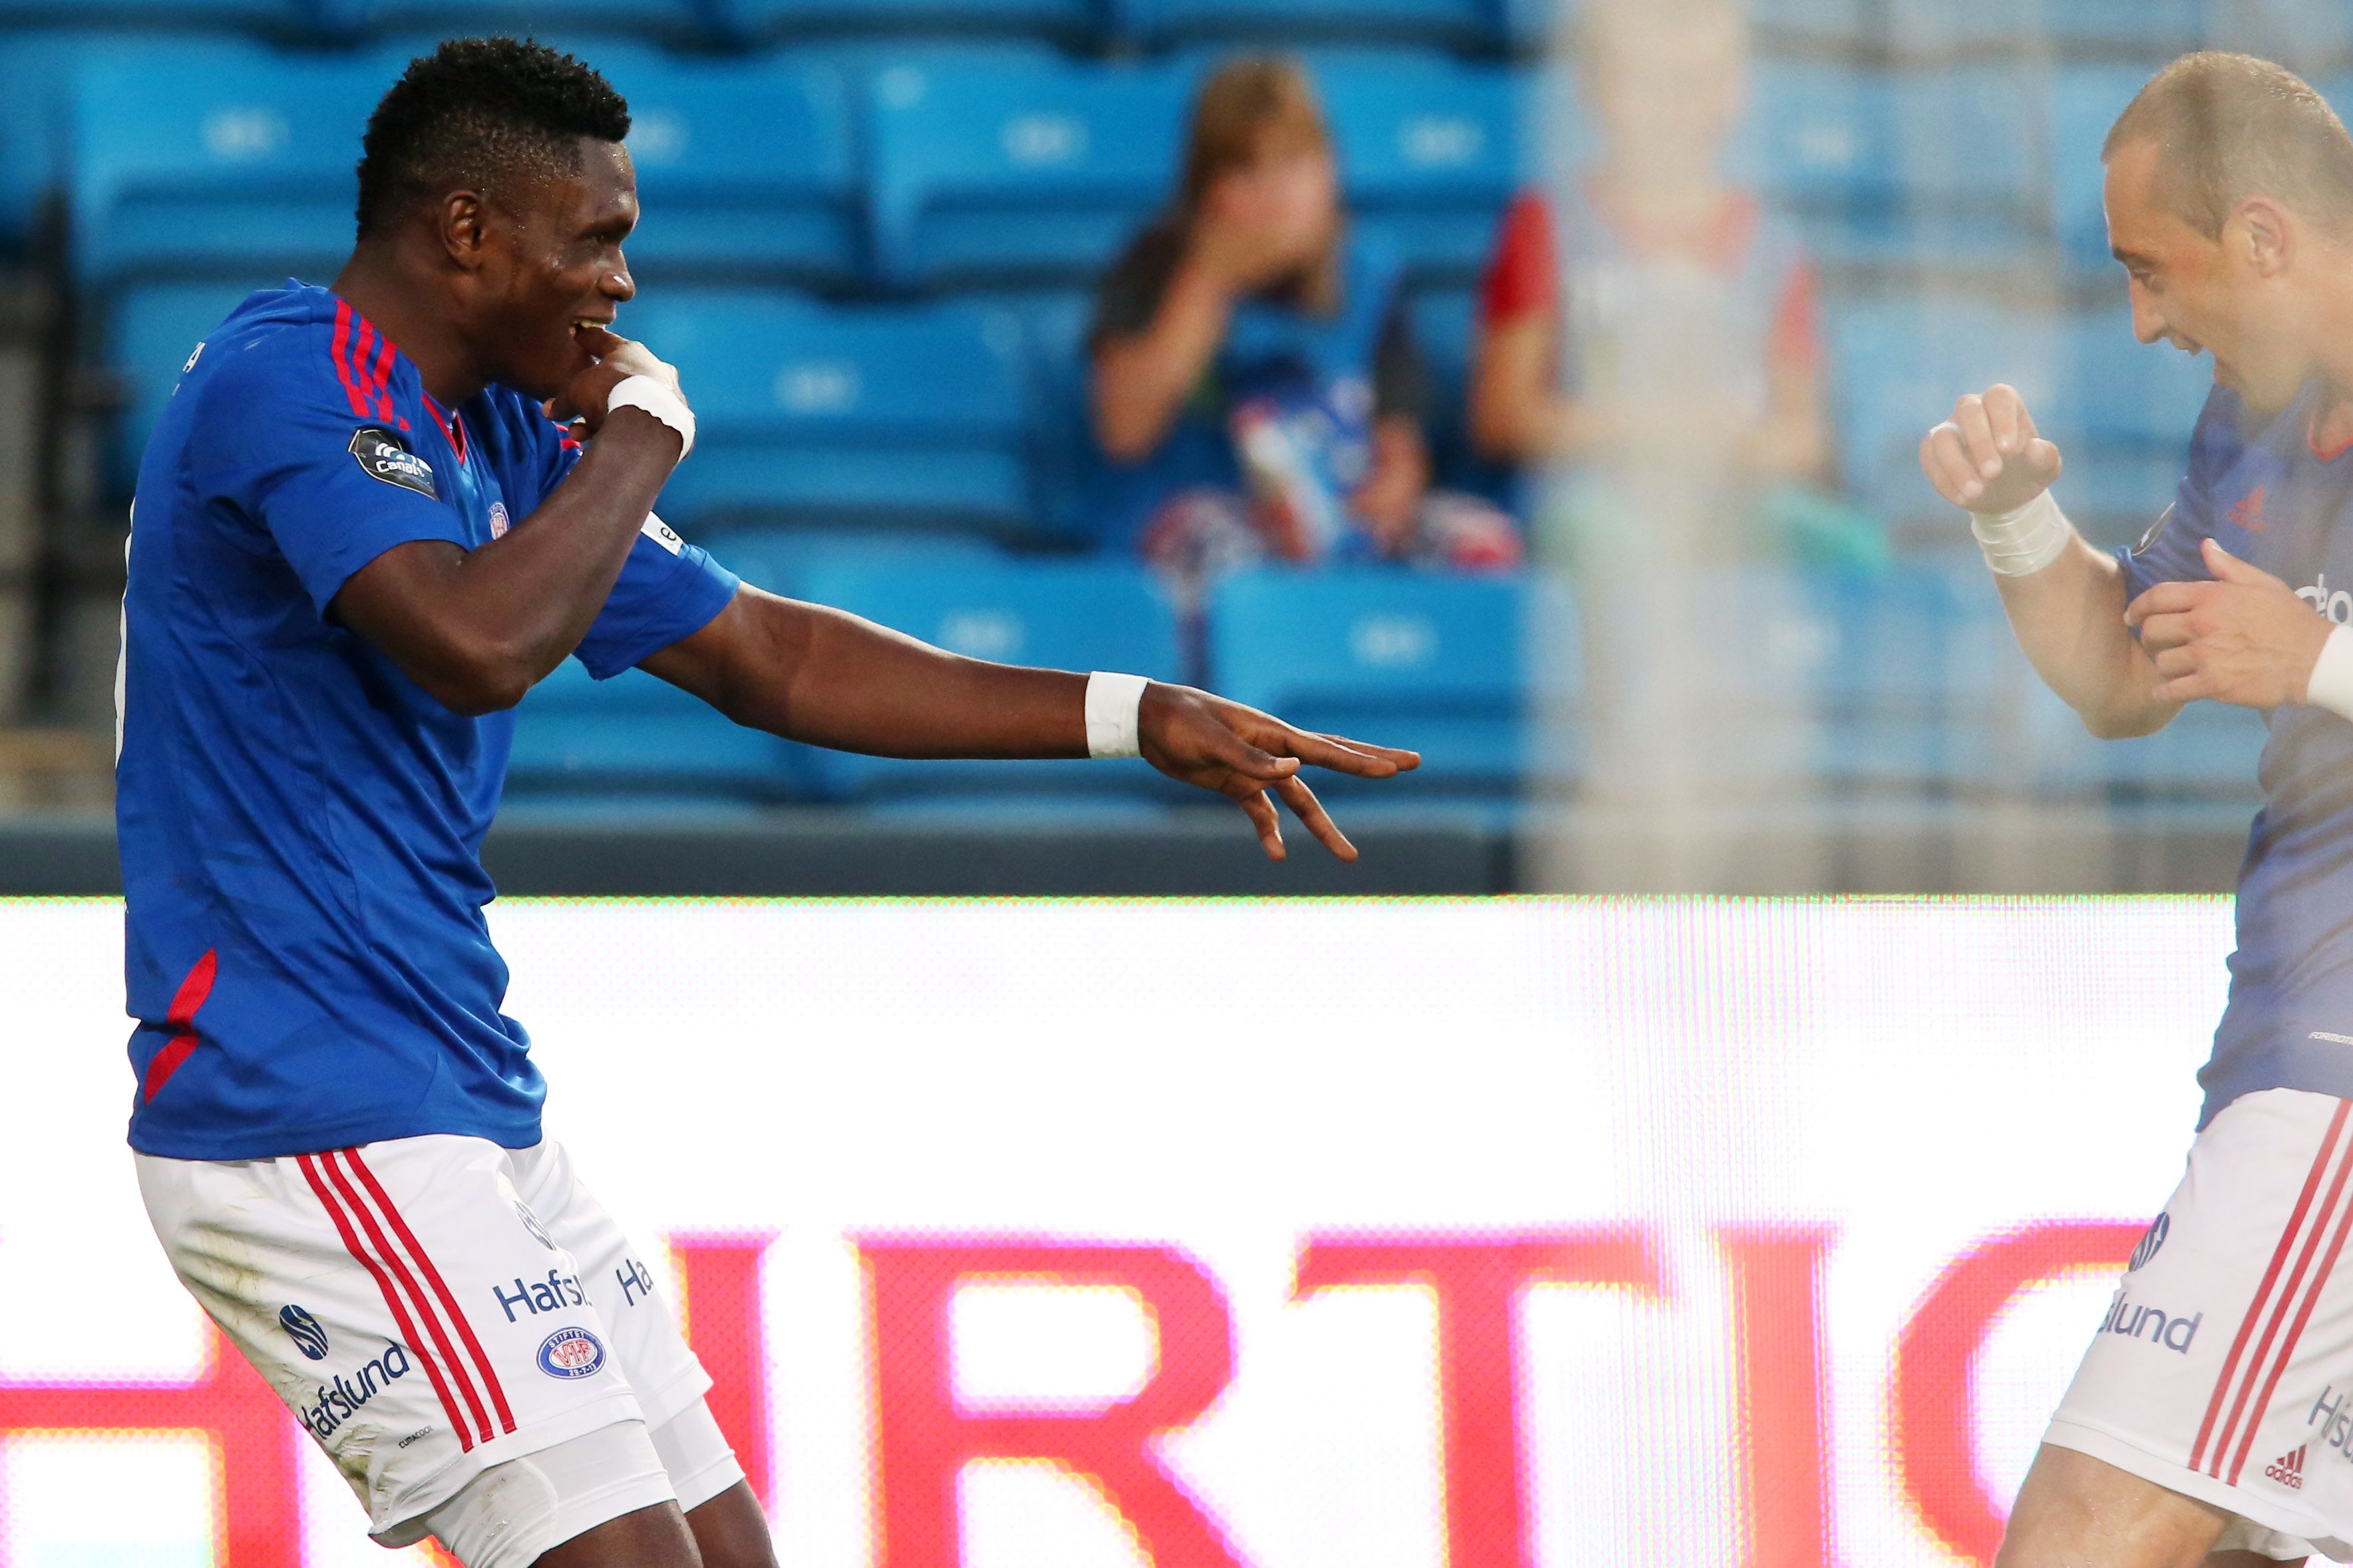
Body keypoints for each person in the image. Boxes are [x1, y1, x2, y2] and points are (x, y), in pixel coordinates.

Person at [118, 39, 1417, 1568]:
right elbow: (474, 643)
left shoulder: (504, 433)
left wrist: (1131, 711)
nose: (621, 283)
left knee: (729, 1550)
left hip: (456, 1096)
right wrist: (644, 435)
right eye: (596, 237)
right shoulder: (292, 376)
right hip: (304, 1112)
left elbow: (767, 655)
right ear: (466, 230)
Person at [1920, 52, 2353, 1568]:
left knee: (2083, 1534)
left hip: (2337, 1076)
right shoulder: (2253, 422)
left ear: (2263, 237)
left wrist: (2317, 662)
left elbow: (2288, 655)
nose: (2142, 321)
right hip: (2284, 1047)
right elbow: (2121, 673)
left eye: (2151, 271)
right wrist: (2015, 519)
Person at [1087, 55, 1521, 611]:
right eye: (1248, 170)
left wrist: (1386, 495)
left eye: (1293, 164)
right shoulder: (1158, 261)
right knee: (1222, 557)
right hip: (1212, 514)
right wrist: (1209, 279)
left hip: (1343, 516)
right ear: (1208, 188)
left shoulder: (1367, 272)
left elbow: (1400, 445)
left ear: (1329, 169)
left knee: (1482, 543)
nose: (1276, 194)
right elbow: (1124, 431)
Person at [1473, 0, 1880, 569]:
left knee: (1850, 547)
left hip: (1736, 501)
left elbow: (1805, 433)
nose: (1670, 107)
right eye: (1647, 80)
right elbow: (1503, 415)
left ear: (1734, 89)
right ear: (1595, 86)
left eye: (1692, 81)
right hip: (1598, 499)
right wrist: (1646, 430)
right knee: (1600, 539)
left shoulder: (1773, 245)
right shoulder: (1547, 225)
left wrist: (1736, 447)